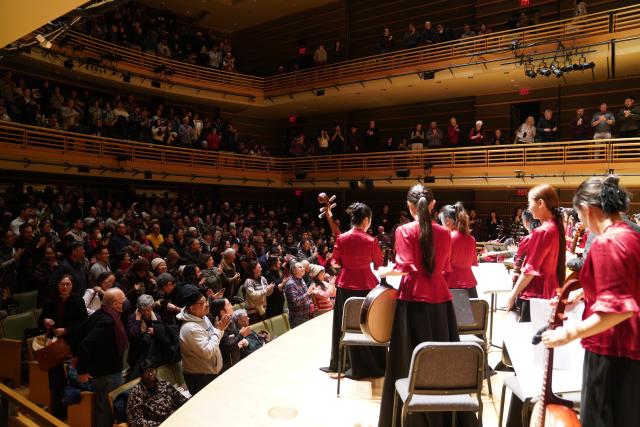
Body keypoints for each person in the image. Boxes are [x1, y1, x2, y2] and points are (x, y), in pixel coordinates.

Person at [542, 175, 639, 427]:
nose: (582, 224)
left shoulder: (607, 241)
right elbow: (626, 281)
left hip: (612, 348)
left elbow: (618, 311)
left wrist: (569, 333)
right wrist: (581, 293)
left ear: (586, 209)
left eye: (580, 217)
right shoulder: (630, 234)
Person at [378, 184, 473, 427]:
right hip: (441, 301)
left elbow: (405, 266)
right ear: (433, 206)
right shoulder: (445, 233)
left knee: (408, 361)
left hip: (411, 302)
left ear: (410, 206)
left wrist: (386, 271)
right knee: (444, 360)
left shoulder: (403, 231)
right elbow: (444, 268)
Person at [322, 202, 386, 378]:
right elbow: (380, 263)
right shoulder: (371, 240)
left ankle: (342, 362)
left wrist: (345, 264)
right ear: (366, 220)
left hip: (345, 286)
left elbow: (334, 263)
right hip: (366, 287)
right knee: (368, 326)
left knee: (344, 326)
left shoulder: (342, 239)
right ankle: (370, 363)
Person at [505, 185, 565, 321]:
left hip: (535, 294)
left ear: (540, 203)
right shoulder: (555, 227)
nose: (528, 207)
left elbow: (530, 270)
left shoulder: (543, 231)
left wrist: (512, 295)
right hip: (549, 292)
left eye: (529, 203)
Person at [38, 274, 88, 419]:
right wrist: (45, 320)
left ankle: (68, 414)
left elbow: (83, 324)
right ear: (57, 285)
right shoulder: (51, 300)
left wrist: (66, 330)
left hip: (71, 346)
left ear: (72, 286)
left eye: (68, 284)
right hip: (53, 346)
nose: (65, 287)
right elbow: (41, 319)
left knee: (70, 380)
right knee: (55, 381)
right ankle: (56, 413)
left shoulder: (78, 301)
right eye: (62, 284)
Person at [76, 288, 127, 427]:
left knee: (104, 406)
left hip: (105, 370)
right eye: (123, 301)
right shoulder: (107, 322)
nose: (126, 303)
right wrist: (82, 371)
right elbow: (85, 345)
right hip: (107, 373)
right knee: (106, 409)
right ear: (116, 304)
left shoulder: (100, 312)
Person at [176, 289, 229, 395]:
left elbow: (214, 339)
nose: (207, 304)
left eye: (206, 301)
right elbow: (208, 352)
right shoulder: (189, 328)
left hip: (210, 373)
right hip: (199, 378)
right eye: (202, 303)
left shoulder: (203, 318)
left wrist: (220, 329)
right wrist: (219, 330)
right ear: (192, 308)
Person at [126, 360, 187, 427]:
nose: (150, 374)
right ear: (141, 375)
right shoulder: (136, 393)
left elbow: (180, 399)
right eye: (146, 372)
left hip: (175, 419)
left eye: (152, 370)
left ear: (156, 370)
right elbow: (135, 421)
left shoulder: (164, 384)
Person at [439, 203, 478, 298]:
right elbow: (473, 261)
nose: (441, 224)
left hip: (452, 284)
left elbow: (442, 265)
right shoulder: (471, 238)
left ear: (447, 221)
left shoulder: (449, 237)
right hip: (470, 284)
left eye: (441, 222)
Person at [284, 262, 315, 328]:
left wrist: (312, 291)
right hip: (298, 318)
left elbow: (306, 296)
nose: (303, 268)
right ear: (294, 270)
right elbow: (295, 302)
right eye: (300, 267)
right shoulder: (291, 284)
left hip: (307, 314)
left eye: (303, 267)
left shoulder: (302, 280)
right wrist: (308, 293)